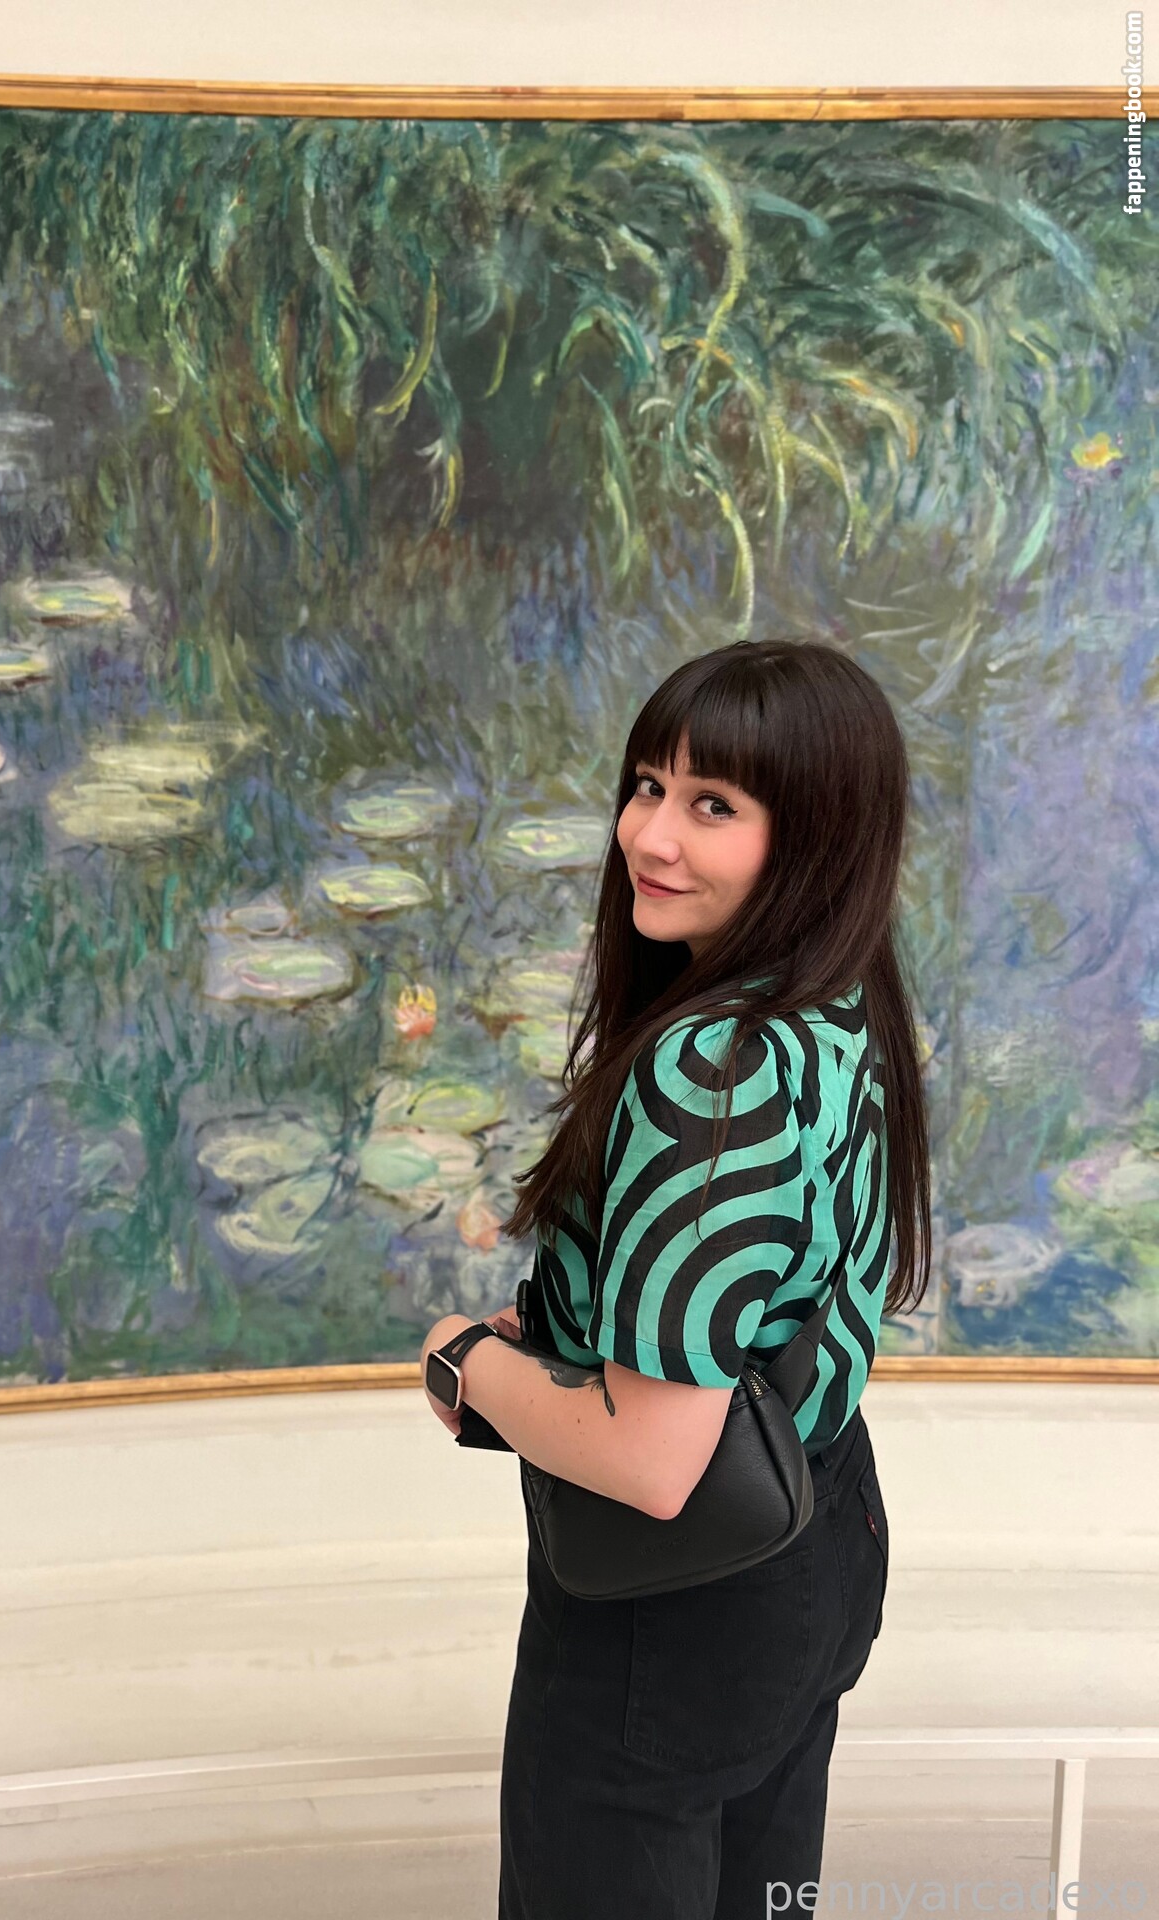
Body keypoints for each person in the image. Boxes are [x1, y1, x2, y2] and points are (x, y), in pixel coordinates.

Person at [419, 637, 932, 1919]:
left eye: (714, 806)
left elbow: (655, 1461)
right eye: (649, 785)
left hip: (676, 1613)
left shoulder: (711, 1064)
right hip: (824, 1537)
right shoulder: (839, 997)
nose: (650, 835)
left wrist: (465, 1362)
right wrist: (571, 1324)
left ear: (812, 835)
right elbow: (771, 1283)